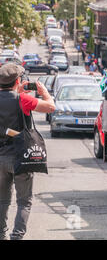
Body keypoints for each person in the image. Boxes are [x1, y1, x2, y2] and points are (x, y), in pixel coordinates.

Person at [0, 63, 55, 240]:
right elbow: (50, 107)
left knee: (2, 200)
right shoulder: (22, 100)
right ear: (18, 80)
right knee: (24, 201)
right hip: (20, 158)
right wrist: (43, 90)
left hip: (0, 157)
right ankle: (17, 236)